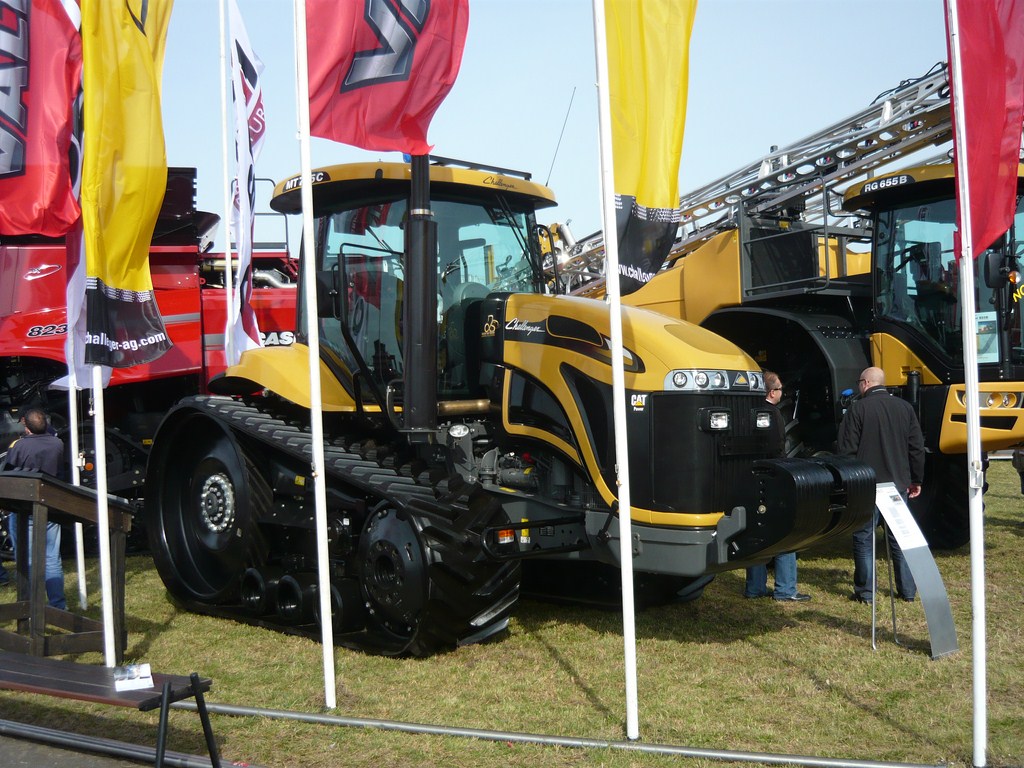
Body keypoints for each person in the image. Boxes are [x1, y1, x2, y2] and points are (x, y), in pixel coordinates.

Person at [837, 367, 925, 604]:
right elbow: (916, 448)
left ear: (865, 383)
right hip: (898, 485)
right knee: (899, 539)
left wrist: (849, 484)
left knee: (864, 538)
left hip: (867, 486)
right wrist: (916, 479)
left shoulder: (858, 409)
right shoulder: (905, 408)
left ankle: (866, 592)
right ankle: (907, 590)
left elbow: (847, 451)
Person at [743, 371, 811, 602]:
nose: (782, 392)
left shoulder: (747, 413)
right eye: (780, 388)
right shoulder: (773, 415)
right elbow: (778, 450)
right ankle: (785, 588)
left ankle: (754, 587)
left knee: (756, 534)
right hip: (772, 479)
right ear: (772, 392)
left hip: (750, 479)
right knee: (785, 533)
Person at [1, 408, 67, 609]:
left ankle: (30, 604)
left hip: (24, 508)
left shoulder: (19, 446)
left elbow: (8, 474)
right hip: (50, 505)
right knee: (52, 558)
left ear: (26, 426)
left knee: (26, 559)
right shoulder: (58, 444)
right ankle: (58, 604)